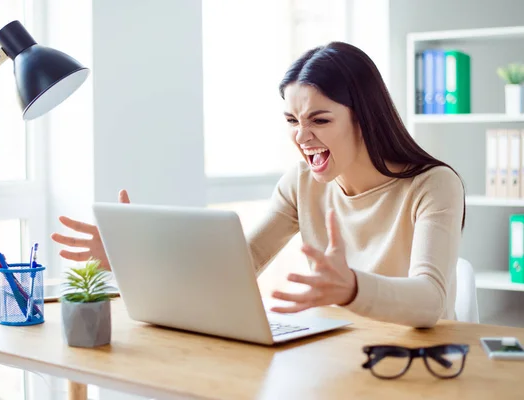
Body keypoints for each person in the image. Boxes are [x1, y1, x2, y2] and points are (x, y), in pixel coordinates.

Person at [51, 41, 465, 329]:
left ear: (364, 118)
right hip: (337, 353)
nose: (302, 138)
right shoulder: (302, 183)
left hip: (418, 363)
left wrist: (352, 288)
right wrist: (132, 257)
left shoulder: (433, 186)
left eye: (320, 120)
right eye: (291, 121)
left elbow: (430, 299)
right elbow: (238, 265)